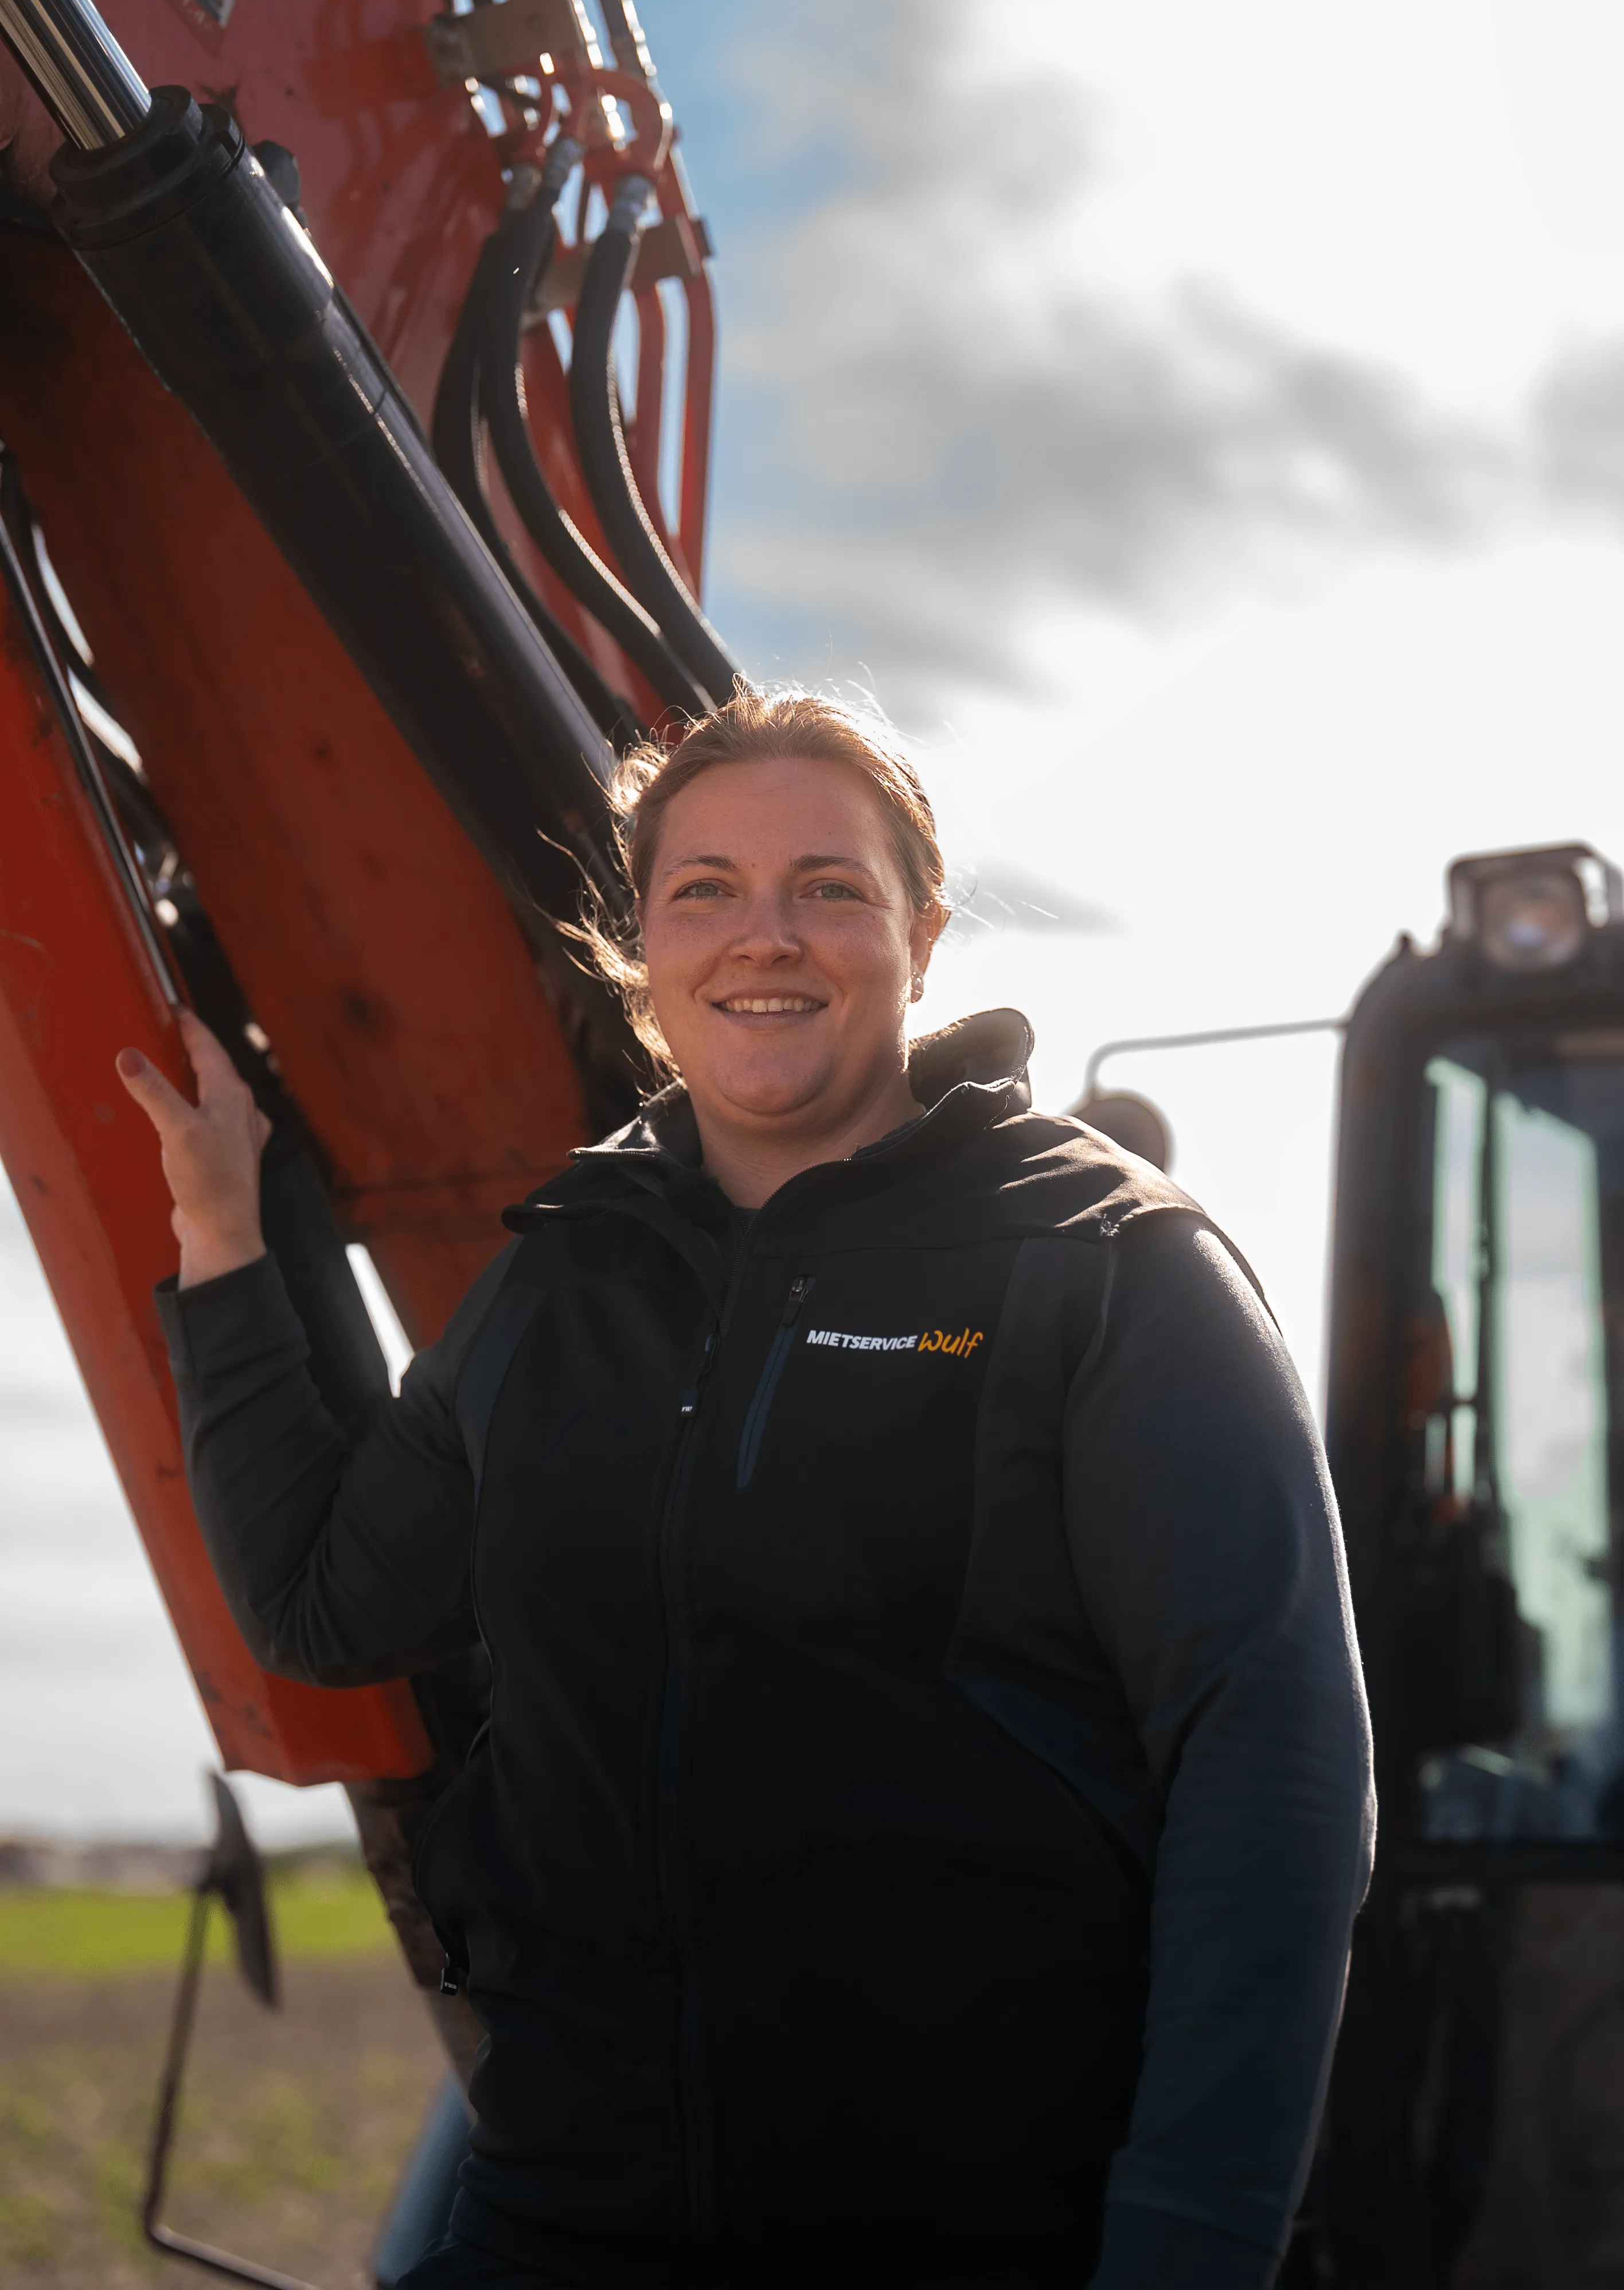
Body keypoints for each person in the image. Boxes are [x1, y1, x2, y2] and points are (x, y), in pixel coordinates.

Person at [118, 692, 1375, 2290]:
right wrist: (227, 1245)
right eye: (703, 889)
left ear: (921, 933)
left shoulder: (1105, 1265)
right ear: (638, 951)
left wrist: (1188, 2252)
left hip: (973, 2226)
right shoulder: (559, 1281)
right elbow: (321, 1601)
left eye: (828, 888)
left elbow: (1273, 1772)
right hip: (563, 2215)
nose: (762, 937)